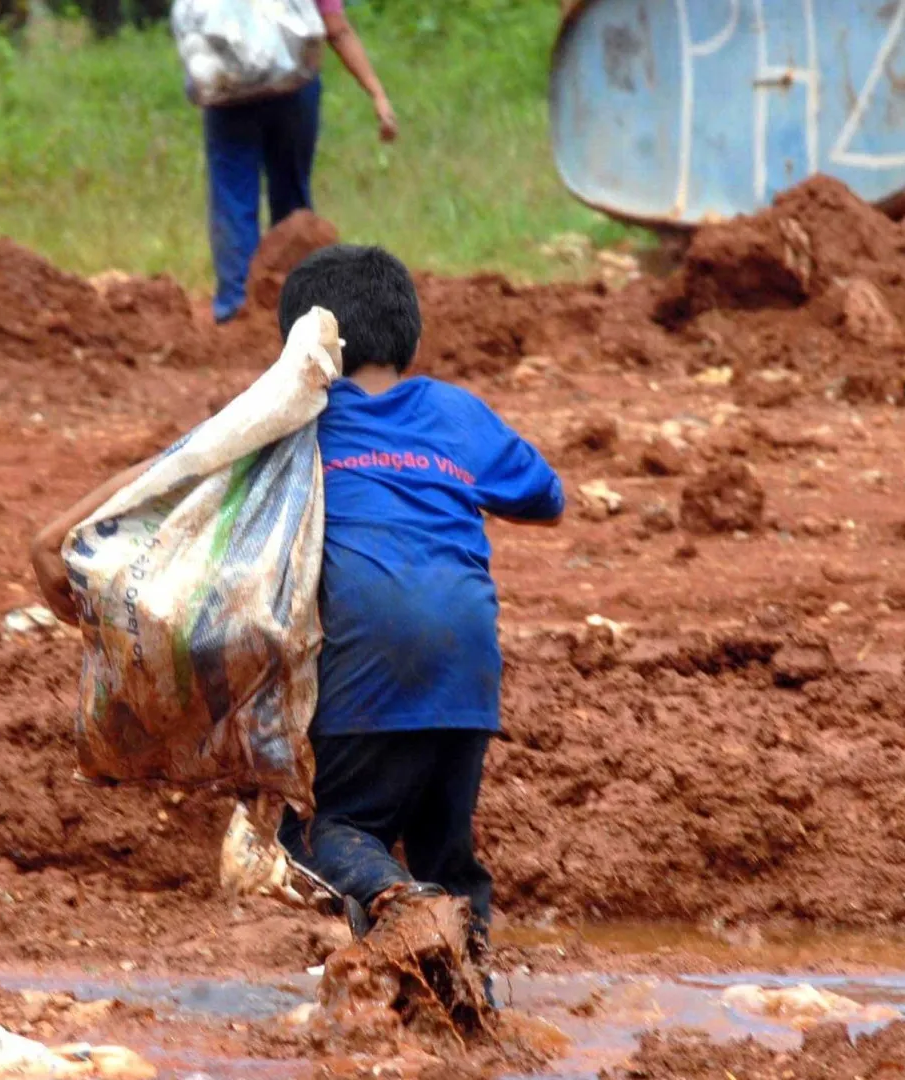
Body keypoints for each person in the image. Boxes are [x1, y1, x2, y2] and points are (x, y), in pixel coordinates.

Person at [30, 245, 563, 1002]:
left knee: (323, 835)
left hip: (362, 671)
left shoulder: (296, 421)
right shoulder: (456, 413)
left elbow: (178, 469)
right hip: (468, 676)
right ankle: (465, 1000)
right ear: (407, 336)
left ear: (302, 349)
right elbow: (545, 496)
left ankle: (404, 910)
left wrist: (56, 536)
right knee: (449, 853)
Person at [203, 0, 396, 324]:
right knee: (292, 198)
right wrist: (377, 93)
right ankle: (297, 308)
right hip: (292, 87)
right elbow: (336, 28)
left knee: (233, 199)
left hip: (228, 88)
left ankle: (237, 309)